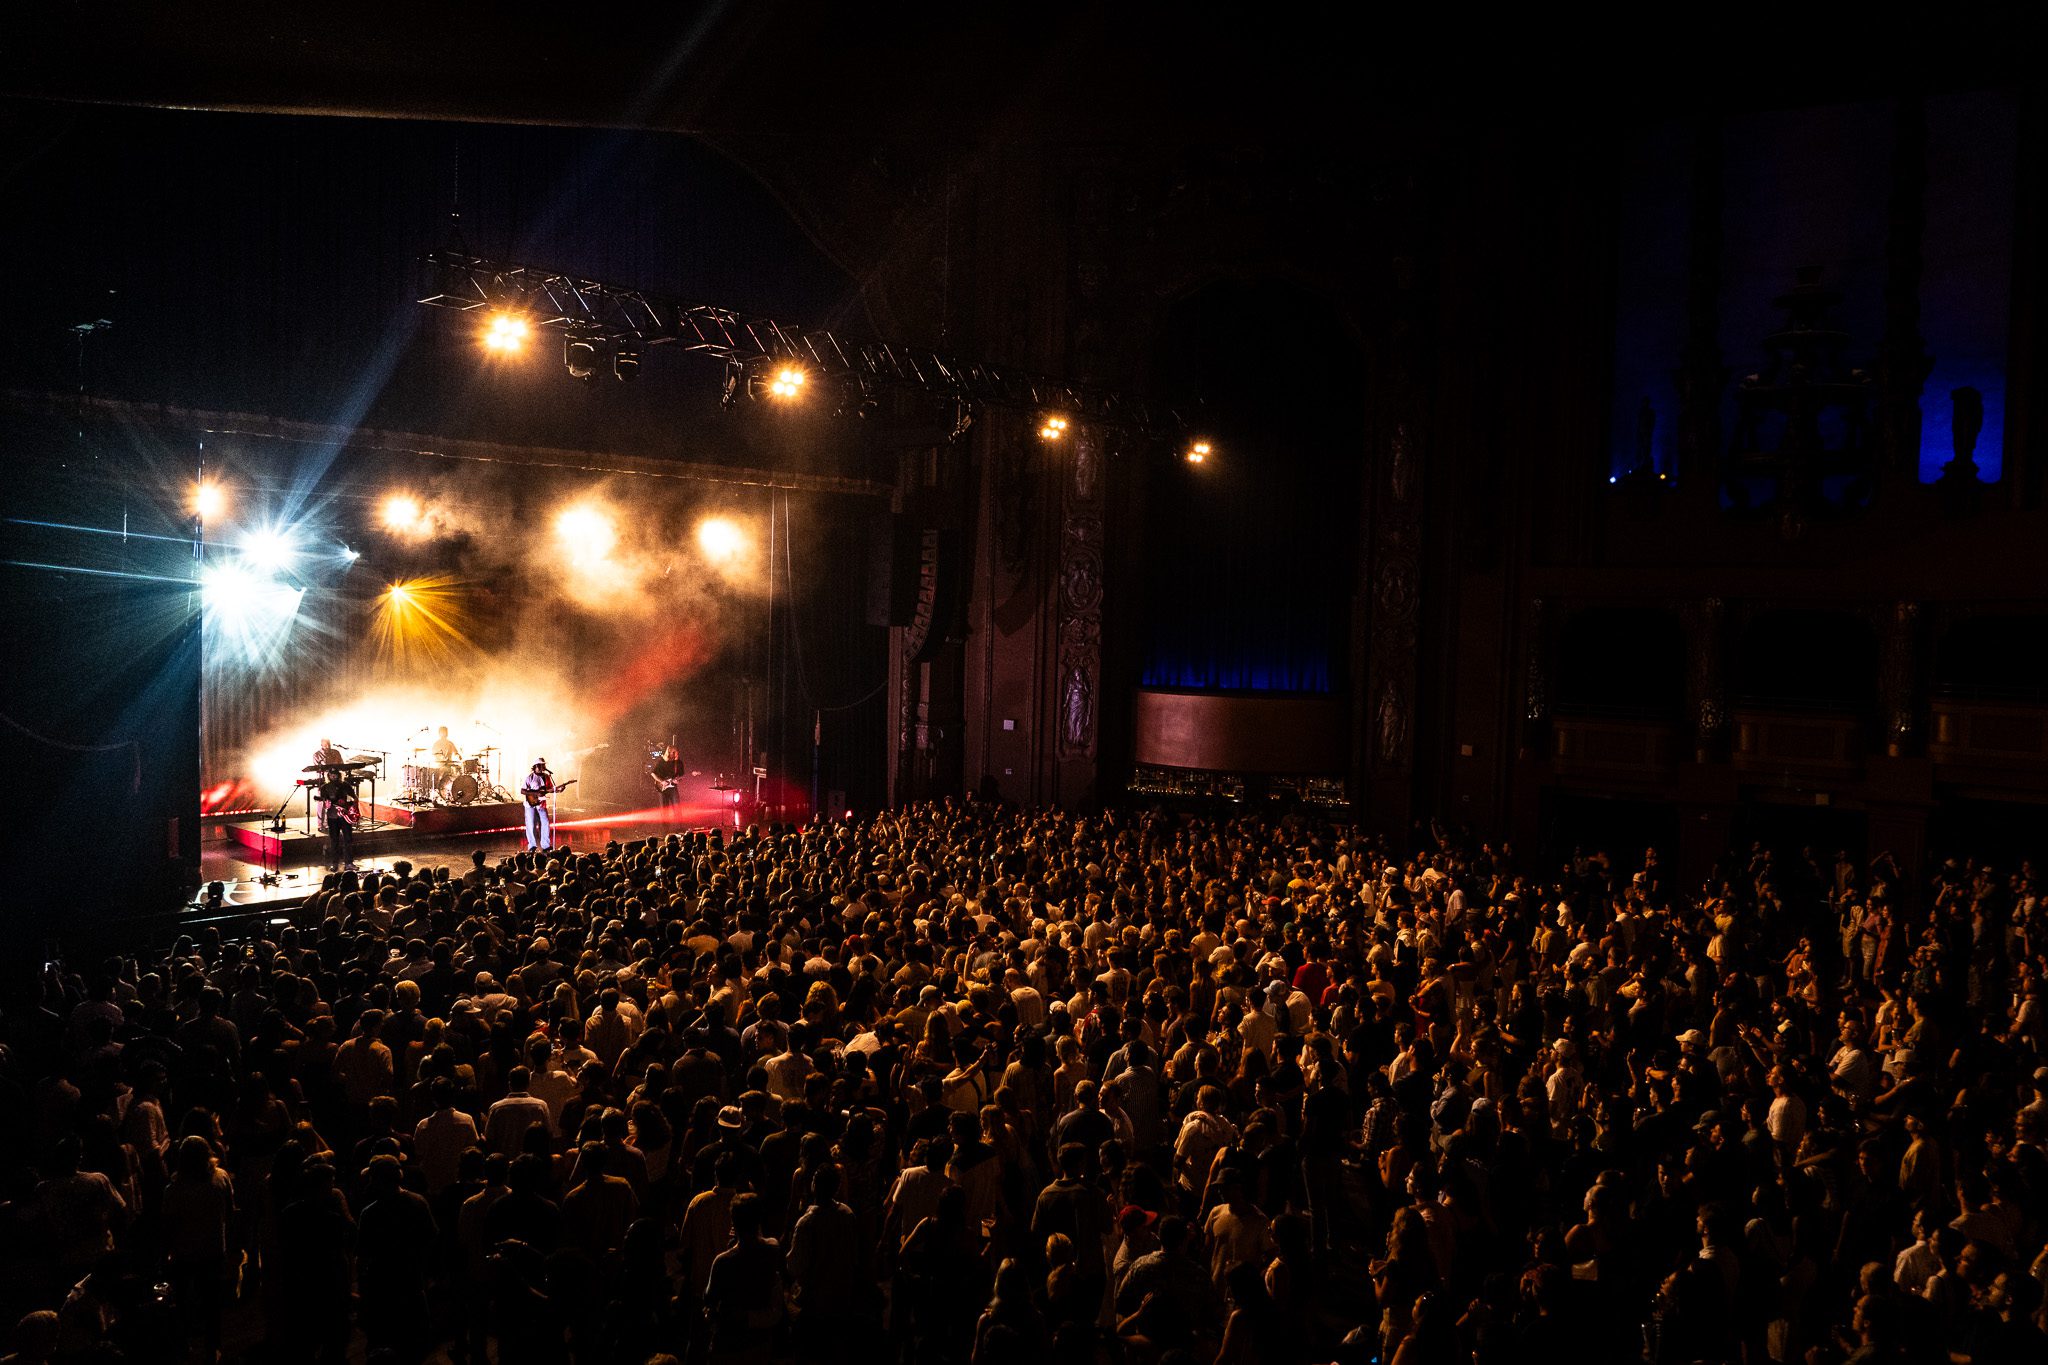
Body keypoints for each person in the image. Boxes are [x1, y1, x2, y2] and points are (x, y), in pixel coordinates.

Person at [319, 775, 359, 871]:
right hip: (333, 816)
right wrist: (326, 804)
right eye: (331, 775)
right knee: (334, 841)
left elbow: (354, 797)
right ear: (328, 776)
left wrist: (351, 807)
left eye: (335, 774)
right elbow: (324, 803)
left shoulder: (345, 785)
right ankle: (334, 864)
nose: (334, 776)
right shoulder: (325, 787)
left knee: (348, 840)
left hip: (345, 815)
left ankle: (349, 863)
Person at [521, 760, 562, 850]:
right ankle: (532, 845)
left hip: (542, 803)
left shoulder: (547, 776)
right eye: (539, 765)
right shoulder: (530, 777)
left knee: (545, 823)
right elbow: (523, 791)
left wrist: (558, 790)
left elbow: (550, 789)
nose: (541, 767)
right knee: (530, 824)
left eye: (543, 765)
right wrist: (536, 793)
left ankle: (546, 845)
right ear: (535, 766)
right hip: (530, 804)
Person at [649, 742, 682, 810]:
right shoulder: (661, 761)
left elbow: (681, 775)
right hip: (662, 789)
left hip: (673, 788)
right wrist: (662, 781)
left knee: (677, 809)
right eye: (674, 753)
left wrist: (678, 781)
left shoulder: (678, 762)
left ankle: (678, 820)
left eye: (676, 752)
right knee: (664, 810)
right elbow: (652, 773)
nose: (676, 754)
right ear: (669, 753)